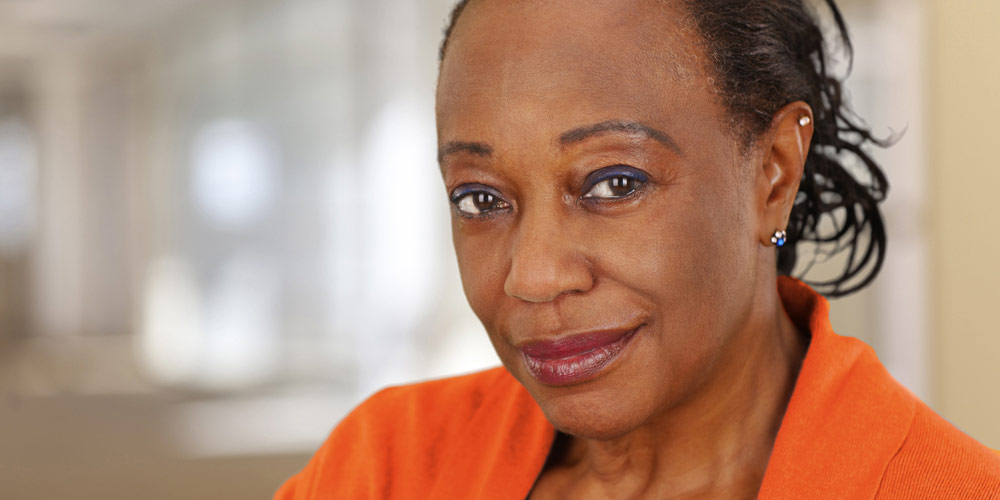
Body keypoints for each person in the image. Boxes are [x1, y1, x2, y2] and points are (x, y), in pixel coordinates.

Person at [276, 0, 1000, 498]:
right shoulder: (386, 469)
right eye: (481, 199)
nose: (533, 277)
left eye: (613, 182)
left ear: (774, 172)